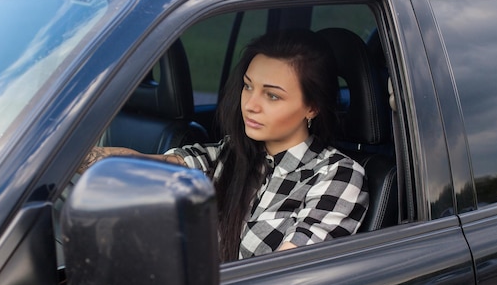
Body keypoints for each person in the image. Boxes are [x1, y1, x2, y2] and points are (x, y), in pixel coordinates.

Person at [79, 29, 369, 262]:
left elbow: (284, 277)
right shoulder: (229, 153)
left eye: (272, 96)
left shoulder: (337, 176)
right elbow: (144, 165)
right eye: (247, 86)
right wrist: (72, 160)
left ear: (312, 108)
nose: (250, 105)